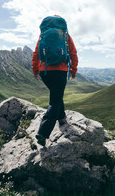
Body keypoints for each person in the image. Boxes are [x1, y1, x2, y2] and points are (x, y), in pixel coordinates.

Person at [32, 15, 78, 146]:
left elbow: (36, 54)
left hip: (45, 71)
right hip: (60, 71)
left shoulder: (42, 36)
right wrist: (73, 70)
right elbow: (74, 53)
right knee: (55, 100)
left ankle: (62, 118)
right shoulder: (65, 36)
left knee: (57, 95)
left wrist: (35, 70)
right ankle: (43, 132)